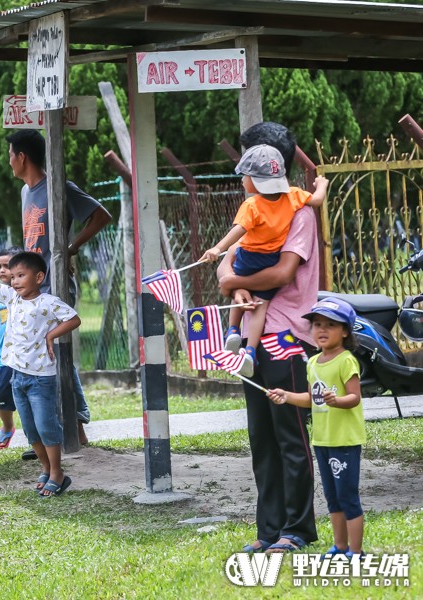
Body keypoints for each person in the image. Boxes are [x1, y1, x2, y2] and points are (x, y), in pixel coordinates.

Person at [216, 121, 319, 554]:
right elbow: (226, 264)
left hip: (288, 337)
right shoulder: (256, 211)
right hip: (252, 336)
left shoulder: (300, 213)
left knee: (290, 435)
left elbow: (281, 272)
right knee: (261, 436)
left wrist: (238, 281)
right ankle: (269, 528)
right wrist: (233, 285)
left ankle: (297, 529)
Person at [6, 129, 112, 450]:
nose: (8, 161)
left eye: (10, 154)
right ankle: (62, 431)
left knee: (56, 354)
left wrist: (69, 248)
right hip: (31, 291)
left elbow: (100, 215)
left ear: (22, 157)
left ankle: (72, 429)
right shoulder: (26, 193)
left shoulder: (58, 187)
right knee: (45, 356)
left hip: (55, 287)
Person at [0, 251, 82, 497]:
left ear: (39, 277)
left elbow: (73, 319)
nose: (15, 281)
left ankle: (57, 473)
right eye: (13, 276)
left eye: (21, 275)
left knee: (46, 426)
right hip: (16, 376)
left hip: (41, 378)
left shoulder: (48, 303)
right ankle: (45, 469)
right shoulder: (11, 298)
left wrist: (51, 335)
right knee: (30, 429)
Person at [201, 144, 329, 377]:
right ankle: (248, 351)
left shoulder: (252, 206)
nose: (242, 181)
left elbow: (238, 235)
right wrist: (322, 184)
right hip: (267, 263)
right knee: (260, 305)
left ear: (256, 181)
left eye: (245, 176)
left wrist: (220, 255)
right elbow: (318, 199)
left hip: (253, 264)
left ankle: (231, 331)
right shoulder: (294, 198)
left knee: (283, 410)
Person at [268, 297, 365, 557]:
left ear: (345, 331)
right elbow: (311, 399)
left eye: (330, 325)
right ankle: (340, 546)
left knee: (348, 497)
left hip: (343, 441)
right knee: (332, 498)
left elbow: (354, 397)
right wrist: (287, 396)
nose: (322, 330)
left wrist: (338, 400)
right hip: (322, 440)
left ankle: (356, 551)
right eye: (317, 324)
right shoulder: (312, 363)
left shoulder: (346, 361)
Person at [0, 246, 24, 449]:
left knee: (28, 396)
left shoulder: (28, 294)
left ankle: (33, 436)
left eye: (7, 266)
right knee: (0, 392)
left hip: (26, 356)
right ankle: (7, 426)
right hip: (4, 356)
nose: (2, 271)